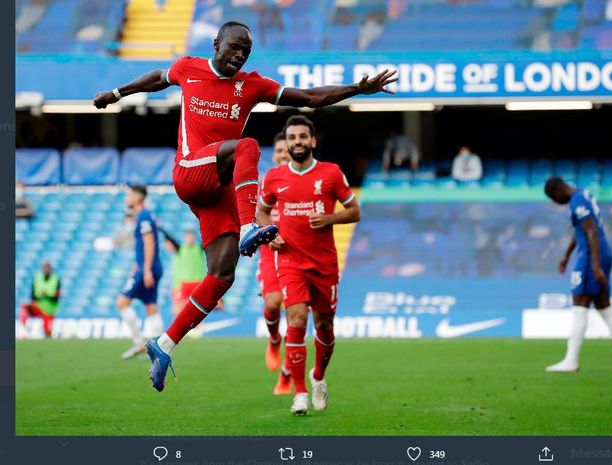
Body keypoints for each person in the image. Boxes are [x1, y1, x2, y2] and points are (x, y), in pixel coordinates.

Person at [93, 20, 396, 392]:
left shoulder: (251, 85)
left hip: (217, 189)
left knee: (222, 275)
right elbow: (158, 76)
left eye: (245, 52)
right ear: (216, 43)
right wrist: (116, 92)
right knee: (249, 146)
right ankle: (252, 226)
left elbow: (311, 99)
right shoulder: (189, 68)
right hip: (190, 171)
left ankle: (164, 343)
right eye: (233, 48)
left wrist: (357, 89)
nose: (239, 56)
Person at [258, 115, 361, 415]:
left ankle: (318, 376)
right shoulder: (274, 177)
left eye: (303, 136)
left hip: (325, 264)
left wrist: (330, 218)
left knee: (324, 326)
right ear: (287, 143)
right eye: (292, 138)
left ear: (313, 141)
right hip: (290, 261)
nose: (298, 142)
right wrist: (268, 235)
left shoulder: (330, 174)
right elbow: (262, 212)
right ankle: (300, 393)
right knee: (297, 319)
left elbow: (354, 211)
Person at [544, 176, 612, 374]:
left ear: (558, 191)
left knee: (579, 305)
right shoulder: (583, 194)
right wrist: (566, 255)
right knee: (604, 307)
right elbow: (581, 230)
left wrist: (596, 266)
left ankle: (570, 360)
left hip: (591, 256)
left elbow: (591, 233)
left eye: (554, 198)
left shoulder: (577, 201)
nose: (556, 203)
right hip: (600, 253)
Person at [257, 132, 292, 394]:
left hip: (298, 253)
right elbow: (254, 214)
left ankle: (286, 377)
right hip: (271, 251)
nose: (284, 155)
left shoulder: (304, 181)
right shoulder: (264, 183)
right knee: (272, 302)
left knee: (297, 318)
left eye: (288, 151)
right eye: (280, 150)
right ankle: (273, 339)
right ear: (274, 154)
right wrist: (267, 235)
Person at [118, 185, 165, 361]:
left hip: (148, 267)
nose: (126, 197)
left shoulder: (144, 216)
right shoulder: (144, 215)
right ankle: (161, 347)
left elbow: (149, 242)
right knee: (151, 307)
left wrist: (145, 270)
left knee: (122, 303)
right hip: (149, 266)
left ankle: (139, 343)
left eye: (129, 194)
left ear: (138, 198)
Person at [19, 261, 60, 338]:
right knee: (24, 306)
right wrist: (40, 296)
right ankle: (23, 331)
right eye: (44, 268)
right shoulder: (37, 279)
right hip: (37, 307)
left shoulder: (56, 279)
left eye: (47, 268)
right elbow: (32, 296)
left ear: (51, 269)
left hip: (49, 310)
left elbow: (57, 297)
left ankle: (47, 333)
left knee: (48, 332)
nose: (46, 269)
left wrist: (46, 295)